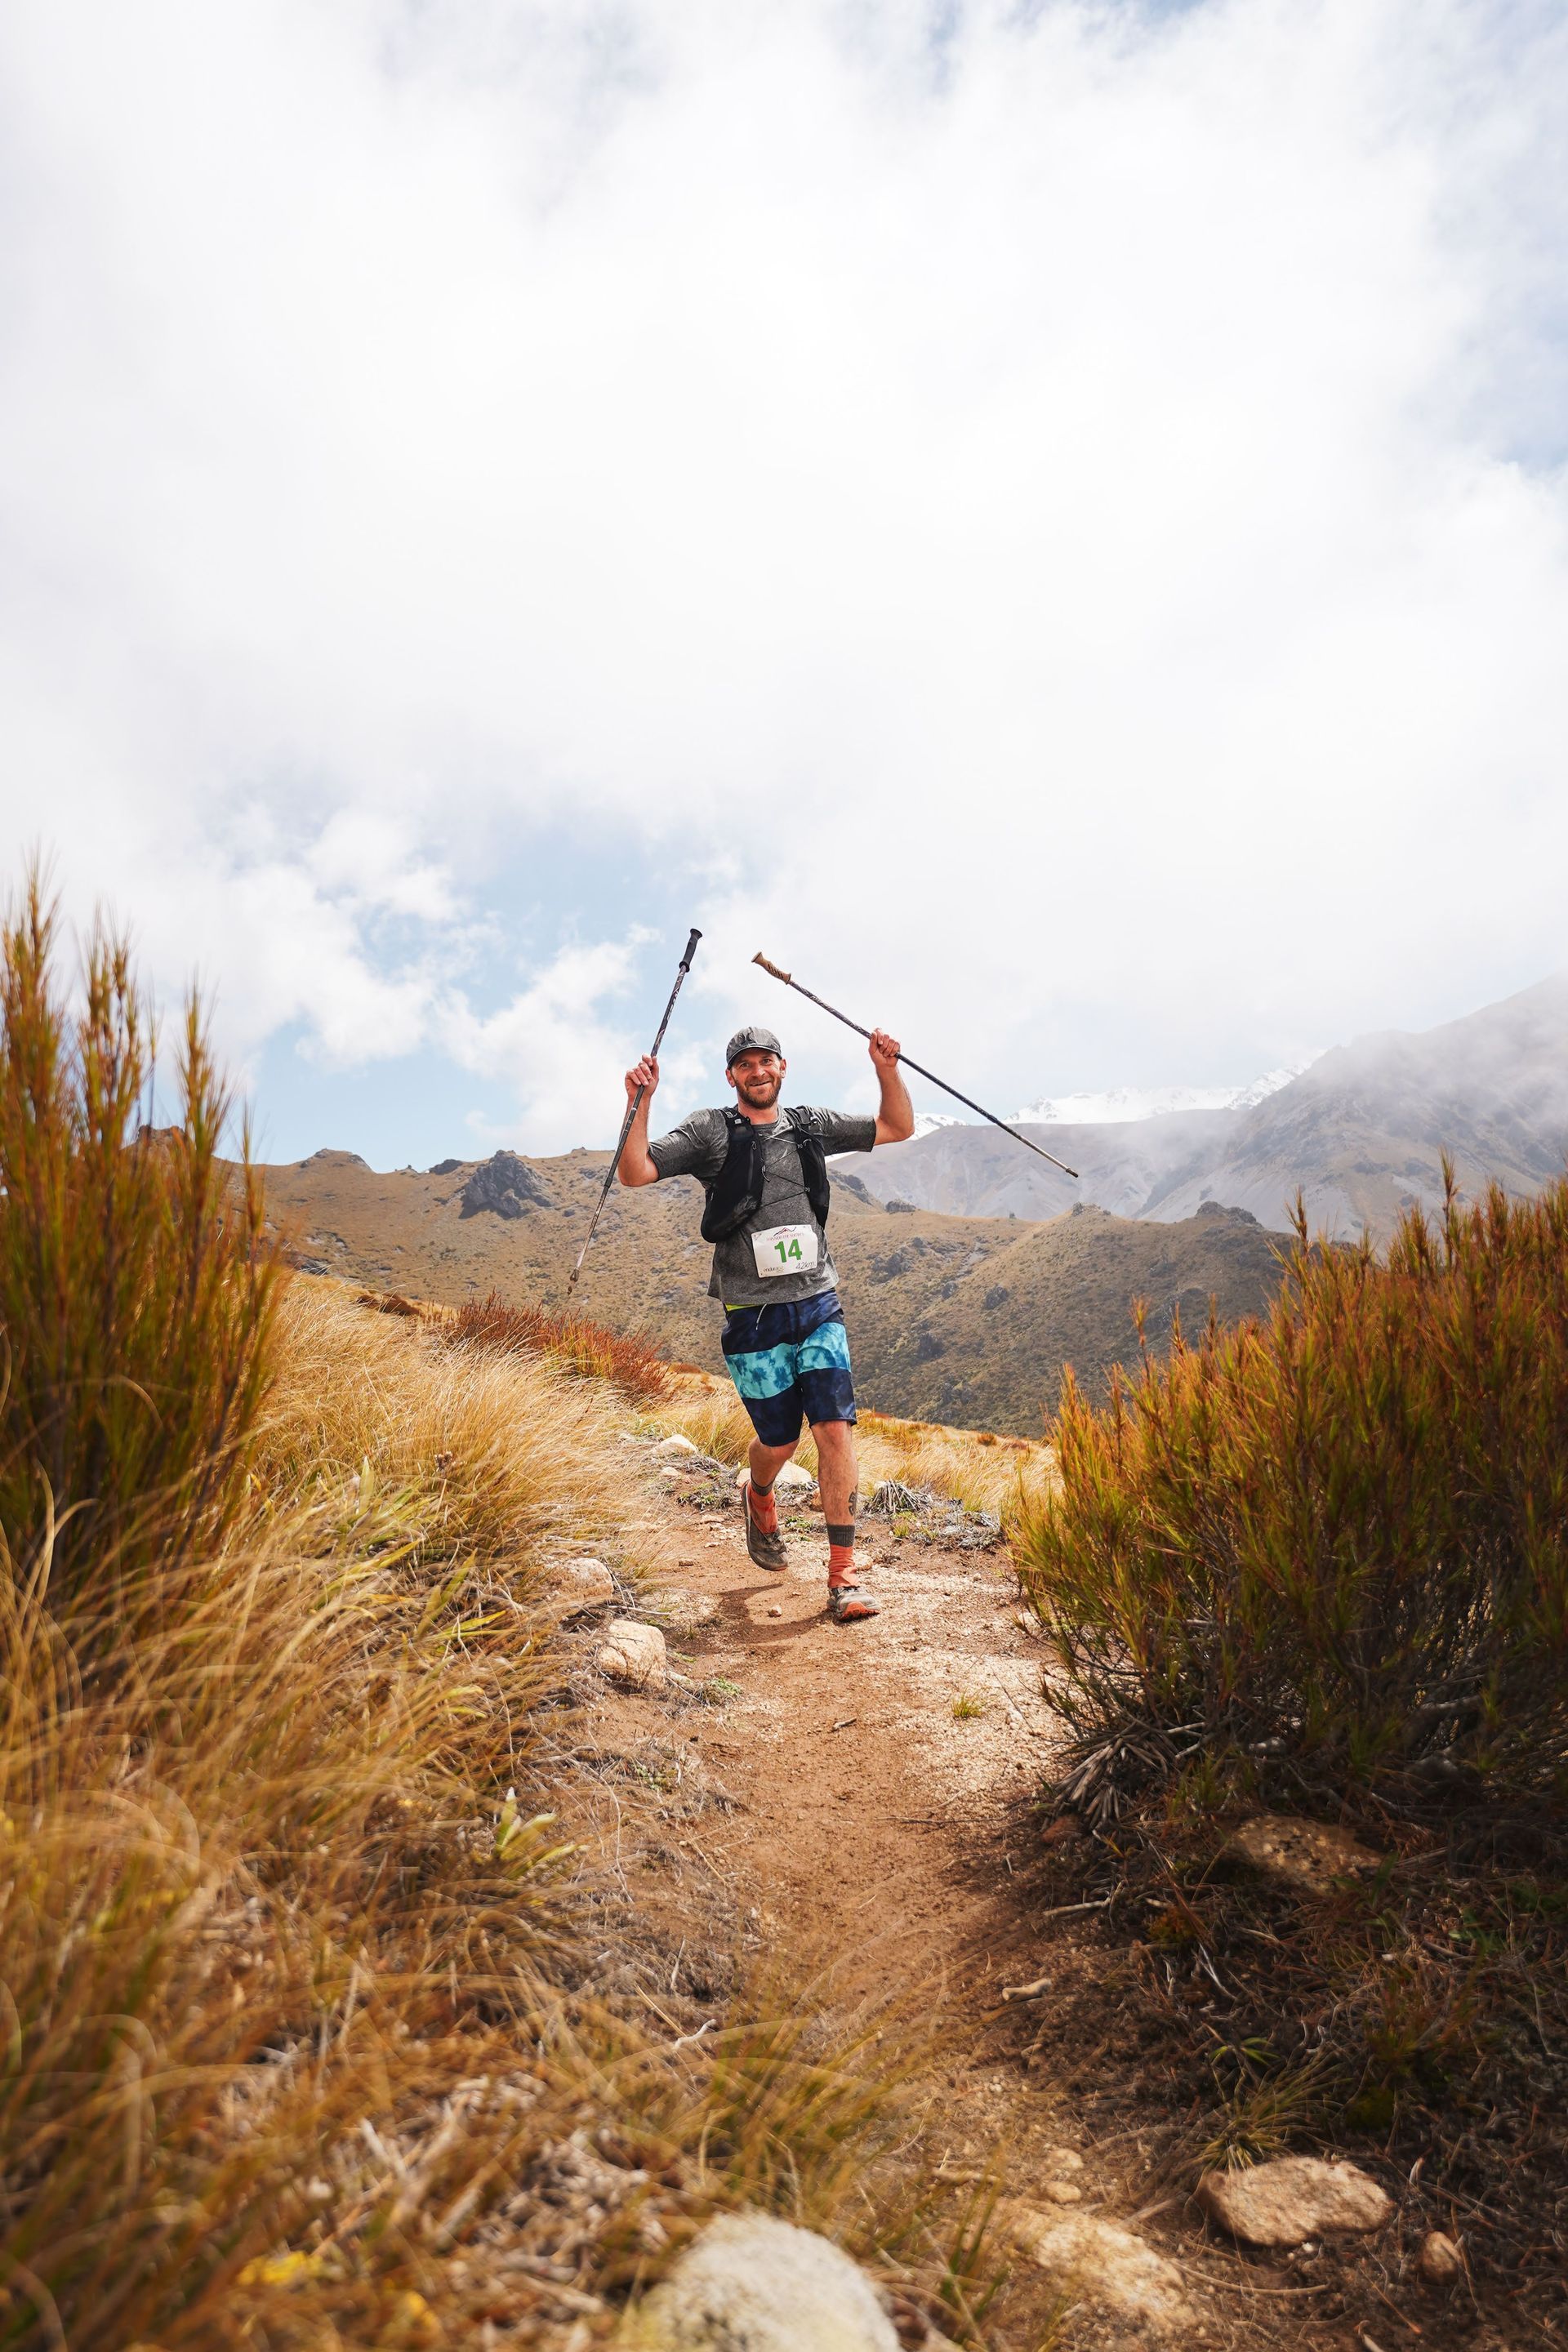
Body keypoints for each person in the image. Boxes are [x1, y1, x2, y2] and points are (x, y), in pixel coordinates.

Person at [617, 1020, 914, 1622]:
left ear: (783, 1067)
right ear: (732, 1076)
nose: (757, 1072)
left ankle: (843, 1576)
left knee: (834, 1429)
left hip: (818, 1301)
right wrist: (638, 1103)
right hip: (751, 1314)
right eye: (745, 1064)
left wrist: (886, 1068)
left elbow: (897, 1127)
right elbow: (636, 1171)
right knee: (779, 1440)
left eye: (766, 1061)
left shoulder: (808, 1124)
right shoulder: (710, 1130)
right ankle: (757, 1495)